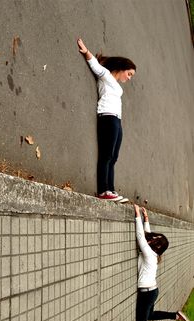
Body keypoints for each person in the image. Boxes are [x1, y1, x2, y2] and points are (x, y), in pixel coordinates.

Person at [134, 204, 191, 321]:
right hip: (151, 291)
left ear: (156, 246)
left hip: (148, 293)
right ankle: (175, 315)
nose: (151, 239)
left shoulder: (150, 254)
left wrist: (137, 215)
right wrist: (146, 219)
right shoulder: (154, 254)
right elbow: (146, 236)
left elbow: (140, 237)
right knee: (149, 316)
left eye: (154, 240)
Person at [77, 37, 136, 201]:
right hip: (107, 117)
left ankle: (111, 189)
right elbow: (96, 66)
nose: (129, 78)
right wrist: (86, 52)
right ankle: (103, 191)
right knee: (106, 155)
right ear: (122, 68)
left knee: (114, 157)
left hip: (116, 120)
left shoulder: (116, 85)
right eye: (129, 74)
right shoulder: (107, 77)